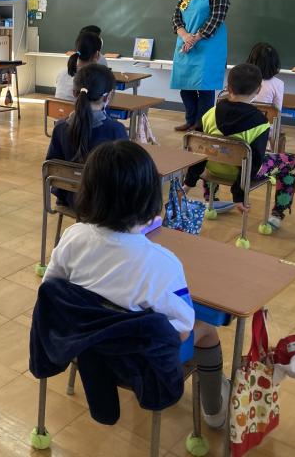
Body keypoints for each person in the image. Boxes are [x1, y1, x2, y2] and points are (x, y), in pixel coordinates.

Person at [44, 140, 229, 428]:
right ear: (149, 197)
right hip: (138, 364)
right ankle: (215, 411)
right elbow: (180, 330)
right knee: (206, 329)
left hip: (81, 347)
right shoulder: (163, 263)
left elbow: (51, 291)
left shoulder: (72, 236)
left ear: (88, 191)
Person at [183, 64, 295, 230]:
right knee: (290, 161)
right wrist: (239, 194)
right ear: (258, 90)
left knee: (212, 147)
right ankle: (277, 215)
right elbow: (255, 162)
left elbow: (197, 151)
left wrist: (189, 181)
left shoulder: (210, 113)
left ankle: (211, 199)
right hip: (241, 175)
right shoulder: (261, 122)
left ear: (228, 88)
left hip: (212, 168)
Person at [46, 63, 127, 207]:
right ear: (108, 96)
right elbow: (125, 175)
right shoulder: (115, 130)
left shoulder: (60, 127)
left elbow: (51, 167)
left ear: (74, 93)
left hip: (70, 200)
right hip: (103, 207)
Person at [171, 0, 230, 132]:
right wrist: (185, 35)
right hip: (185, 45)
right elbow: (176, 17)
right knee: (185, 86)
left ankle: (201, 125)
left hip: (208, 47)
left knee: (205, 87)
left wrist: (195, 38)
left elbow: (216, 18)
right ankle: (190, 120)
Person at [54, 31, 102, 101]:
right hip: (78, 108)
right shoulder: (94, 77)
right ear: (96, 54)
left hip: (56, 108)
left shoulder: (62, 72)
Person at [246, 42, 284, 111]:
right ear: (274, 63)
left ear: (251, 60)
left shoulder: (242, 78)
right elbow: (277, 111)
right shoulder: (278, 84)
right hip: (264, 117)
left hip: (242, 116)